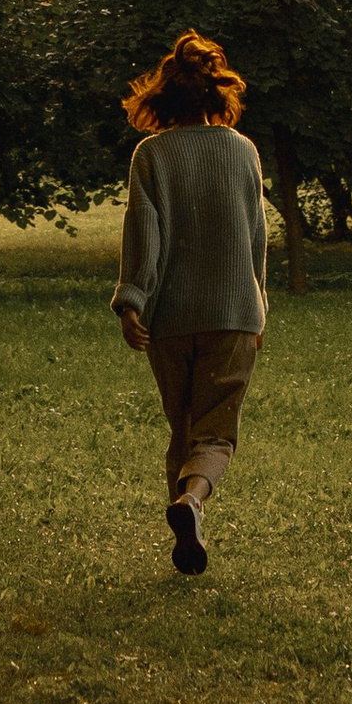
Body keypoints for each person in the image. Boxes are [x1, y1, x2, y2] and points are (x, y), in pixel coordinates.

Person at [111, 30, 269, 576]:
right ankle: (192, 501)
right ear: (215, 93)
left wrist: (132, 301)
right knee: (215, 431)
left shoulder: (151, 154)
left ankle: (183, 524)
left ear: (163, 98)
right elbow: (256, 237)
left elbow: (144, 233)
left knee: (181, 428)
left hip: (170, 320)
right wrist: (259, 307)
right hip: (233, 316)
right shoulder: (243, 150)